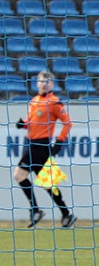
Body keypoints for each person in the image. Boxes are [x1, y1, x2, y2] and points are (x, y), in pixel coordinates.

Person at [13, 70, 75, 228]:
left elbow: (68, 123)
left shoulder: (54, 102)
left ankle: (35, 210)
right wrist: (24, 124)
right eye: (41, 81)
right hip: (31, 143)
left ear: (52, 84)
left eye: (47, 82)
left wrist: (59, 142)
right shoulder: (34, 101)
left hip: (40, 145)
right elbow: (33, 121)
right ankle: (66, 214)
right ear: (37, 83)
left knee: (19, 175)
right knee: (48, 184)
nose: (44, 84)